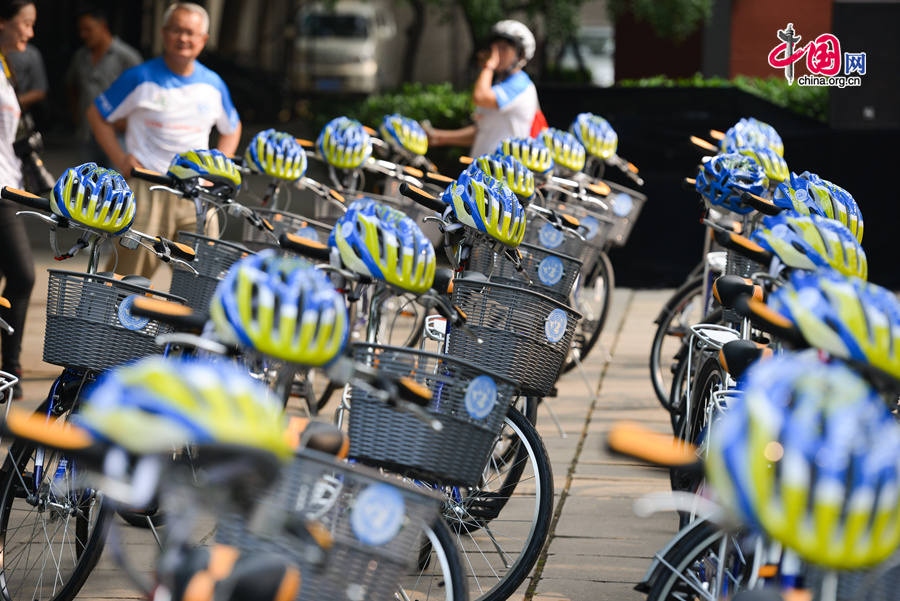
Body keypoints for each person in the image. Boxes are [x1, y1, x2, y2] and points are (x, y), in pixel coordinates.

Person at [87, 2, 242, 278]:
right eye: (176, 30)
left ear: (203, 40)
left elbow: (232, 127)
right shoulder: (139, 76)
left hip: (196, 195)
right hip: (147, 190)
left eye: (191, 33)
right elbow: (96, 114)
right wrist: (120, 158)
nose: (183, 38)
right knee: (127, 279)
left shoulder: (213, 84)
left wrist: (217, 169)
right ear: (163, 33)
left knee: (201, 280)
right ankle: (106, 320)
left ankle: (189, 324)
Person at [427, 20, 546, 157]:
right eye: (493, 48)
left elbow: (480, 97)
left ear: (520, 55)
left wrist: (488, 66)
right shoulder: (499, 84)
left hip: (502, 175)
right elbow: (482, 132)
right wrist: (438, 136)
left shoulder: (520, 85)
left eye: (503, 48)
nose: (495, 54)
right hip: (483, 173)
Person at [0, 0, 36, 400]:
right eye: (25, 23)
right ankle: (10, 366)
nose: (29, 32)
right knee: (23, 276)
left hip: (9, 186)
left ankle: (7, 369)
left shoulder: (5, 67)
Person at [66, 6, 142, 166]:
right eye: (81, 30)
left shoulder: (127, 57)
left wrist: (127, 122)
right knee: (86, 185)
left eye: (88, 29)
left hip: (117, 136)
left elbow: (143, 94)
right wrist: (77, 117)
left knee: (115, 185)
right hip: (87, 134)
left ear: (103, 26)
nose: (83, 35)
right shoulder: (81, 56)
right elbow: (72, 86)